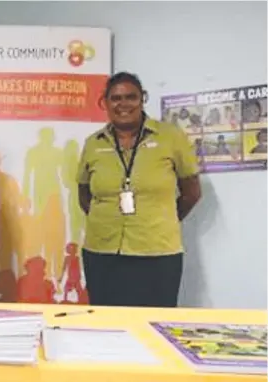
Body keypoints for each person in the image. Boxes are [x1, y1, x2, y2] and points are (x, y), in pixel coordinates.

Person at [77, 72, 201, 308]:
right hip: (102, 252)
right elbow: (84, 192)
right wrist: (102, 219)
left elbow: (192, 193)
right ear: (105, 102)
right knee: (106, 323)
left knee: (154, 324)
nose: (123, 104)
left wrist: (161, 220)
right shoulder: (94, 143)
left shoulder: (170, 137)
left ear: (142, 99)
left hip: (157, 253)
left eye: (131, 97)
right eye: (115, 98)